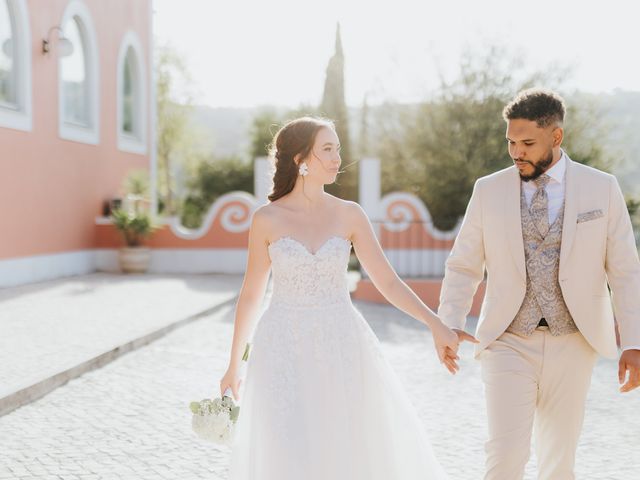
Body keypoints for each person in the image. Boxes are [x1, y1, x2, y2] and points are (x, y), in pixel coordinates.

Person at [220, 116, 475, 480]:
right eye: (327, 149)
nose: (337, 157)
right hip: (281, 344)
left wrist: (435, 324)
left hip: (340, 341)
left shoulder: (349, 214)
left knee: (346, 443)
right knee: (287, 445)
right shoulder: (267, 219)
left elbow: (386, 280)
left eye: (338, 148)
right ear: (300, 159)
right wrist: (234, 364)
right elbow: (251, 294)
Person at [438, 88, 640, 480]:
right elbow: (463, 265)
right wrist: (449, 322)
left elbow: (625, 272)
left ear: (556, 136)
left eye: (528, 143)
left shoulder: (602, 188)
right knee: (505, 456)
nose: (517, 152)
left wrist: (633, 341)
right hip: (508, 339)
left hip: (574, 341)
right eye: (511, 142)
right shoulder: (488, 190)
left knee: (558, 462)